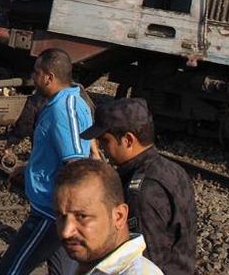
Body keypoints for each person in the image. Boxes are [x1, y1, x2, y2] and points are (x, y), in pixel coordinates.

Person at [0, 48, 93, 275]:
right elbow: (57, 154)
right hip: (56, 214)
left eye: (36, 72)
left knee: (9, 271)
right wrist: (28, 168)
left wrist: (65, 217)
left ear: (49, 77)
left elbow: (75, 166)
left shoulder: (63, 110)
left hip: (49, 215)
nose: (33, 77)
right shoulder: (61, 103)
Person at [80, 98, 196, 274]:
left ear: (128, 140)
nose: (101, 148)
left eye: (105, 141)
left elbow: (143, 262)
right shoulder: (172, 170)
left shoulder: (142, 193)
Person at [54, 159, 164, 275]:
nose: (66, 232)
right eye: (61, 216)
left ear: (119, 217)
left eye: (82, 216)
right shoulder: (86, 258)